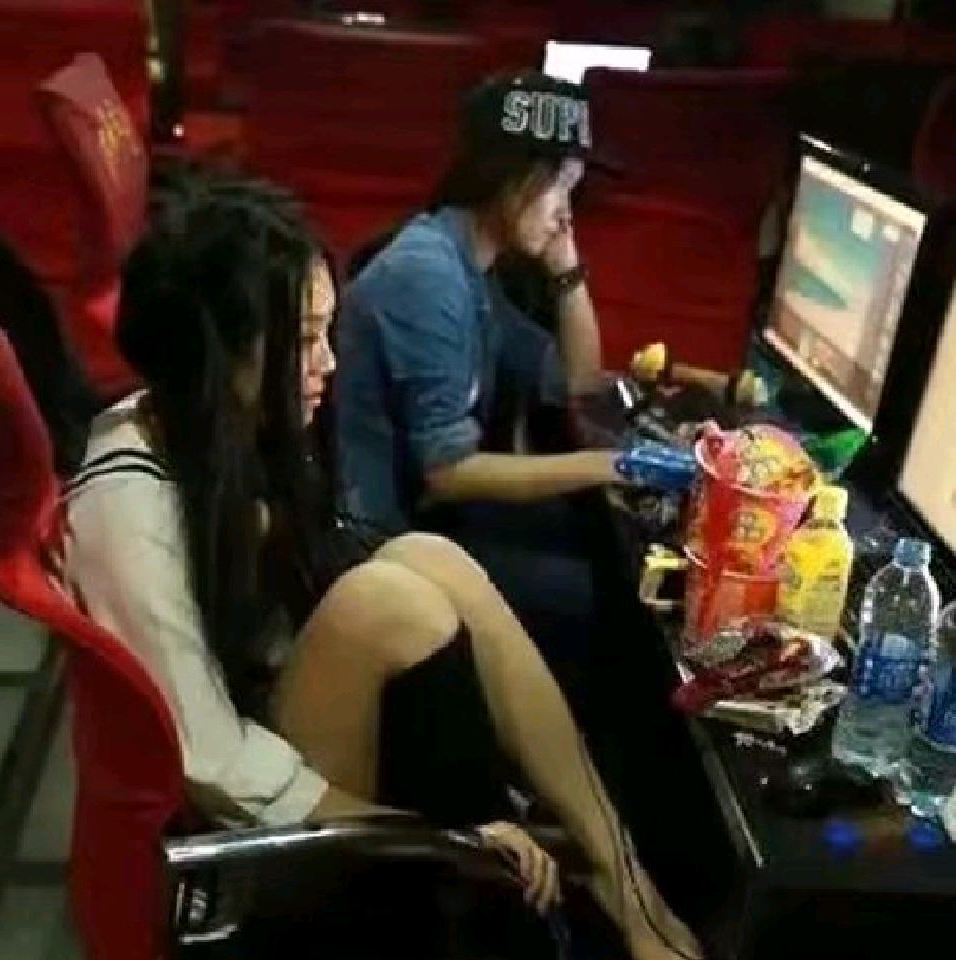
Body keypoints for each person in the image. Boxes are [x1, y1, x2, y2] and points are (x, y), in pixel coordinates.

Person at [46, 174, 699, 960]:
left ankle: (624, 882)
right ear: (221, 349)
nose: (327, 362)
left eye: (327, 332)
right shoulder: (126, 507)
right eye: (303, 340)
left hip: (277, 723)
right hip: (238, 835)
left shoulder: (217, 433)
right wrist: (433, 836)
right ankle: (490, 888)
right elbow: (214, 764)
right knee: (386, 600)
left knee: (426, 557)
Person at [334, 72, 627, 671]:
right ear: (508, 179)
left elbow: (576, 380)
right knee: (594, 599)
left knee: (596, 547)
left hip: (423, 521)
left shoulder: (473, 268)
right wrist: (618, 466)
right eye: (558, 189)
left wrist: (567, 269)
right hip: (375, 542)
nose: (565, 216)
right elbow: (449, 472)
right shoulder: (430, 275)